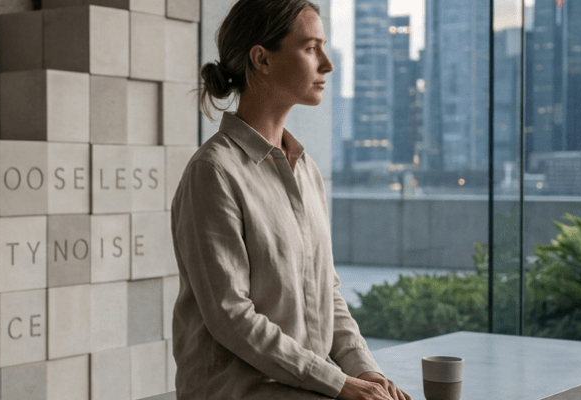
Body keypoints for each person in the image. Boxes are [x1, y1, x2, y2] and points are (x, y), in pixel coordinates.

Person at [168, 1, 410, 399]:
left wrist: (366, 371)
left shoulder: (307, 171)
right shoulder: (213, 173)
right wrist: (340, 384)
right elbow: (231, 316)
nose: (327, 64)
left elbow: (326, 292)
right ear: (261, 60)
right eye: (311, 48)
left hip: (302, 387)